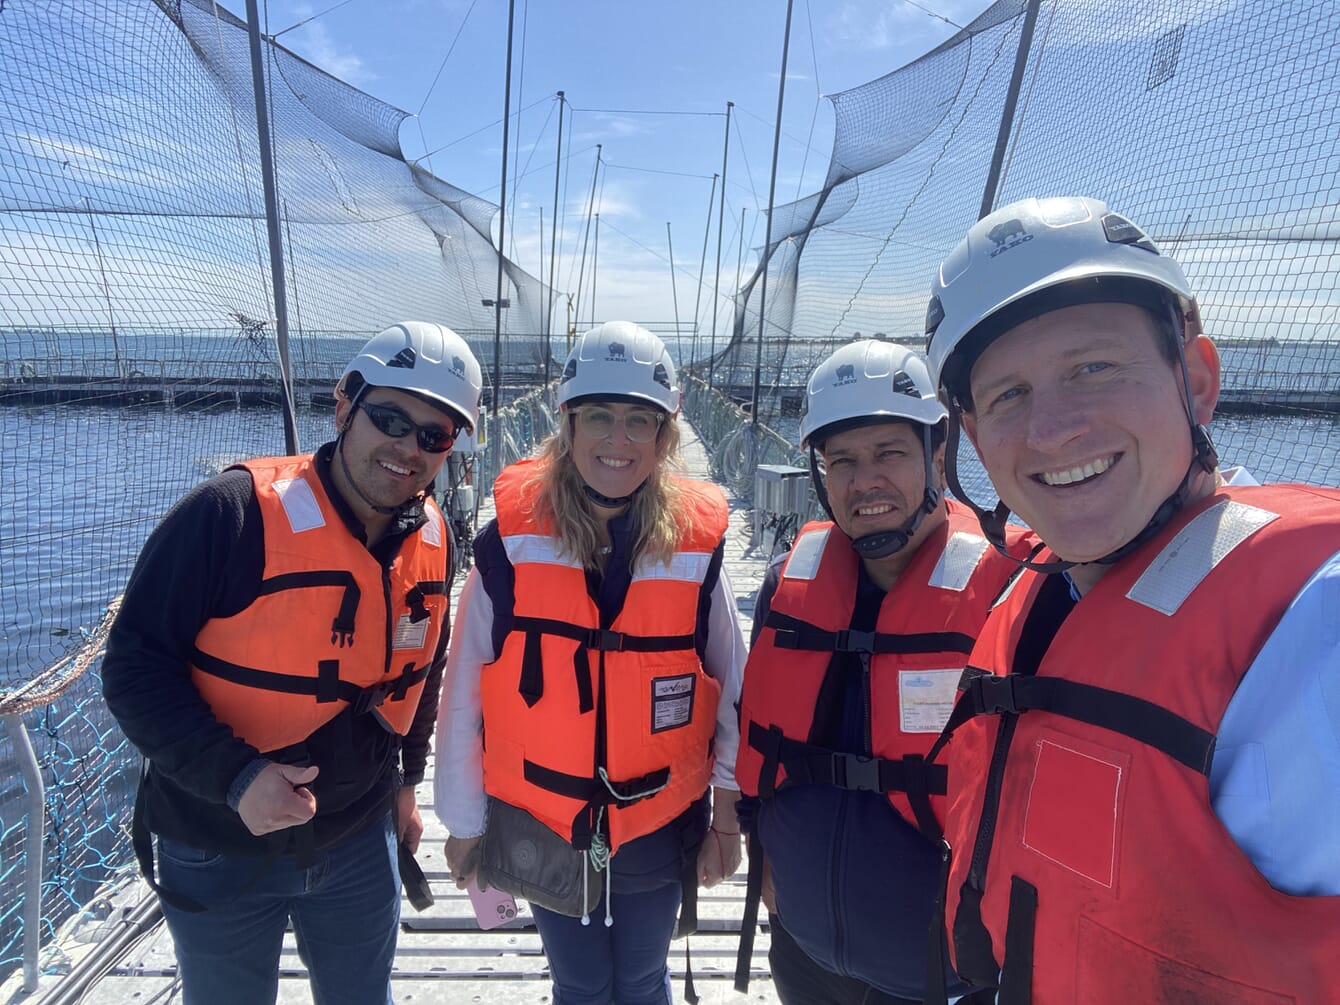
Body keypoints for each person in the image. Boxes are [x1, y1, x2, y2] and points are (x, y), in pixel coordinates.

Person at [921, 195, 1340, 1004]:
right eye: (1007, 395)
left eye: (1093, 367)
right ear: (973, 439)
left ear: (1198, 380)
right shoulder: (1037, 603)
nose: (1051, 430)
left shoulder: (1312, 622)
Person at [102, 321, 482, 1005]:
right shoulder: (229, 515)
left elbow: (423, 667)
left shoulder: (435, 535)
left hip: (359, 836)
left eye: (435, 435)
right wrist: (238, 777)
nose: (408, 448)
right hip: (217, 839)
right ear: (343, 404)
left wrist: (409, 781)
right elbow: (133, 667)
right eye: (391, 418)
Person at [434, 321, 746, 1005]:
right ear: (567, 424)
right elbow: (462, 696)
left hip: (658, 815)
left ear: (665, 438)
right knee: (578, 981)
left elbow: (733, 690)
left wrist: (726, 815)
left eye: (641, 421)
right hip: (542, 815)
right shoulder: (507, 546)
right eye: (599, 416)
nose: (618, 439)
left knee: (640, 978)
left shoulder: (696, 548)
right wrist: (462, 823)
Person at [732, 339, 1034, 1004]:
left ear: (938, 453)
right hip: (804, 953)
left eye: (889, 453)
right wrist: (757, 846)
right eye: (842, 460)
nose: (864, 479)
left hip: (936, 975)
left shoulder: (1014, 593)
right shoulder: (789, 585)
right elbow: (762, 738)